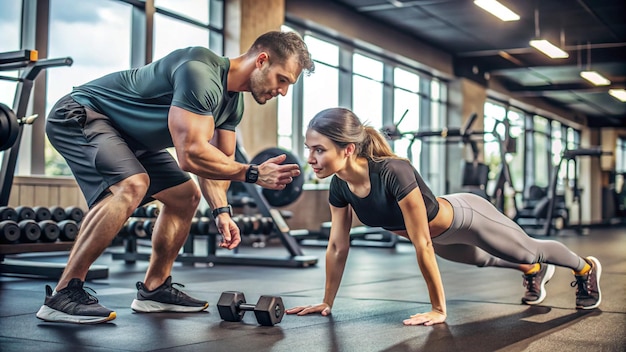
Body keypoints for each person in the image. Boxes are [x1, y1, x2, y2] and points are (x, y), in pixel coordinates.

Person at [37, 31, 315, 324]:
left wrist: (222, 212)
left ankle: (154, 289)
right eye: (282, 80)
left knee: (185, 196)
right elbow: (191, 155)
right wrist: (254, 173)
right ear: (261, 60)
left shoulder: (233, 105)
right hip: (82, 113)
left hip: (133, 139)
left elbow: (216, 162)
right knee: (133, 185)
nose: (283, 92)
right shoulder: (200, 70)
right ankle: (64, 293)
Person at [285, 107, 602, 326]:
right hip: (440, 237)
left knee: (530, 247)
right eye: (308, 149)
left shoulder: (394, 170)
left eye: (319, 149)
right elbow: (338, 247)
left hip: (467, 217)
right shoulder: (341, 187)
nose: (311, 158)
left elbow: (420, 242)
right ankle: (533, 271)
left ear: (349, 149)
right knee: (484, 259)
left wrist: (438, 309)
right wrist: (327, 301)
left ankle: (585, 267)